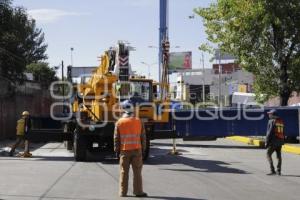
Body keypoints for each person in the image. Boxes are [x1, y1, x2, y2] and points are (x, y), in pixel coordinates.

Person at [114, 100, 148, 197]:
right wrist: (144, 149)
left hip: (124, 151)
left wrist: (116, 150)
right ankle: (138, 192)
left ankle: (122, 192)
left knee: (124, 172)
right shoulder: (138, 121)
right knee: (137, 172)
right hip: (137, 150)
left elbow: (116, 138)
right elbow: (143, 137)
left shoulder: (119, 122)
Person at [265, 109, 284, 175]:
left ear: (273, 115)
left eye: (270, 114)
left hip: (274, 141)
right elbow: (283, 132)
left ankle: (272, 170)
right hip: (280, 141)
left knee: (268, 154)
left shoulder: (271, 121)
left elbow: (269, 132)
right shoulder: (281, 121)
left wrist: (266, 142)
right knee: (279, 156)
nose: (269, 115)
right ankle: (279, 171)